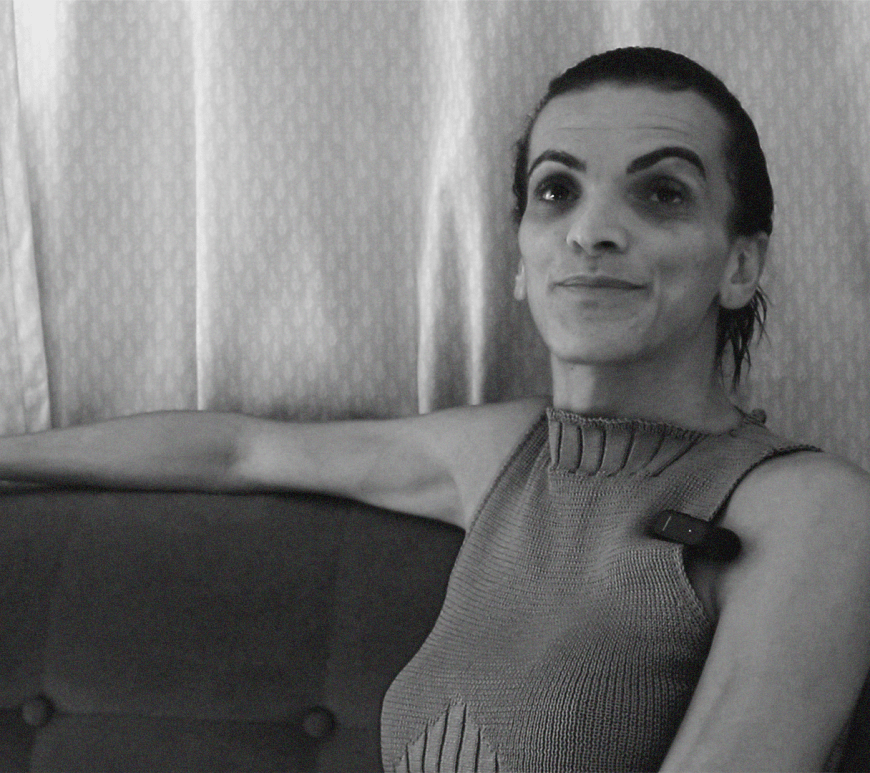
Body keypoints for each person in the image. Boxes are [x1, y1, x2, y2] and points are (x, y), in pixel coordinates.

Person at [1, 46, 869, 772]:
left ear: (741, 266)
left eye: (662, 194)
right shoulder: (505, 453)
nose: (591, 230)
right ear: (521, 262)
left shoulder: (807, 508)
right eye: (557, 192)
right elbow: (237, 451)